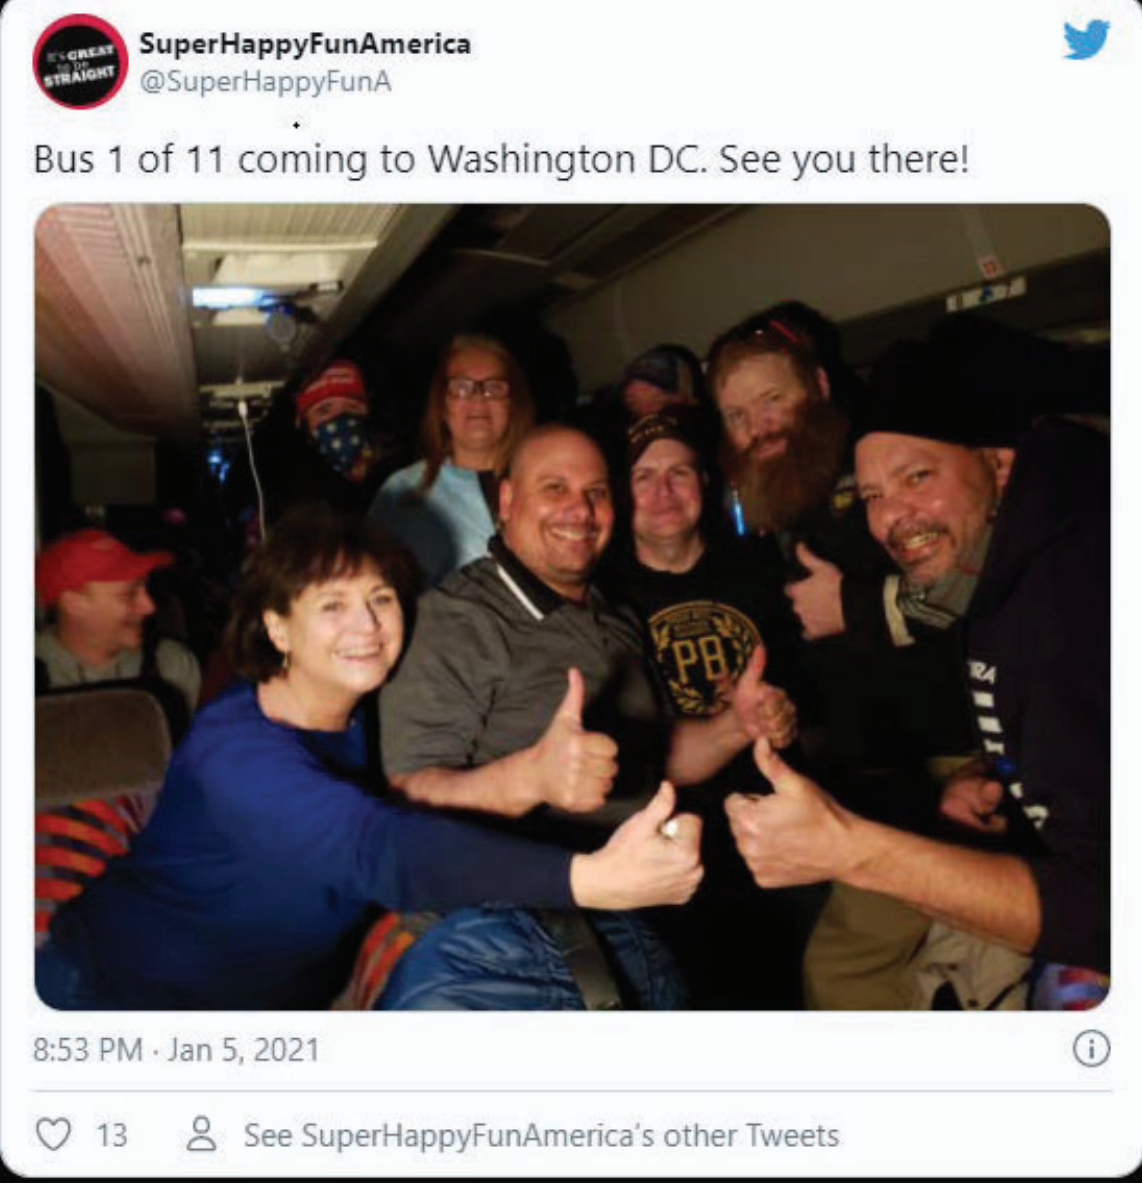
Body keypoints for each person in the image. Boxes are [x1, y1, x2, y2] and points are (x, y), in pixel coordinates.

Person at [35, 509, 702, 1010]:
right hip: (115, 1001)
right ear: (276, 625)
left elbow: (398, 804)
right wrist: (589, 879)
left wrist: (531, 774)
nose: (368, 626)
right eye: (332, 604)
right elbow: (379, 847)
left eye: (381, 599)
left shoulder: (348, 712)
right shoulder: (234, 754)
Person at [726, 320, 1110, 1002]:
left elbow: (1104, 909)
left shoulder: (1076, 586)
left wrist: (852, 849)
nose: (891, 515)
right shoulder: (1004, 569)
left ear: (1000, 462)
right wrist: (993, 770)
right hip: (930, 772)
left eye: (919, 476)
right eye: (735, 415)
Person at [380, 425, 796, 1008]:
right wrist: (530, 777)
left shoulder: (612, 616)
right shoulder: (453, 621)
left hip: (635, 918)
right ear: (507, 502)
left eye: (596, 492)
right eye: (555, 487)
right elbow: (408, 797)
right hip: (519, 948)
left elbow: (660, 757)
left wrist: (737, 726)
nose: (580, 509)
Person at [599, 410, 815, 1007]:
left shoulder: (760, 571)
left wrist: (785, 711)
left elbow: (806, 682)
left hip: (775, 826)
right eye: (643, 477)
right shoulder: (602, 596)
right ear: (620, 494)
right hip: (670, 838)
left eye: (679, 473)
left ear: (705, 485)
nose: (663, 493)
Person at [370, 334, 535, 586]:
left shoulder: (543, 483)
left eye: (494, 388)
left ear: (512, 404)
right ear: (442, 404)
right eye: (461, 387)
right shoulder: (402, 491)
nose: (478, 398)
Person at [35, 528, 201, 722]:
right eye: (129, 594)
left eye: (145, 588)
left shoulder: (170, 666)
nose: (149, 607)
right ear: (73, 603)